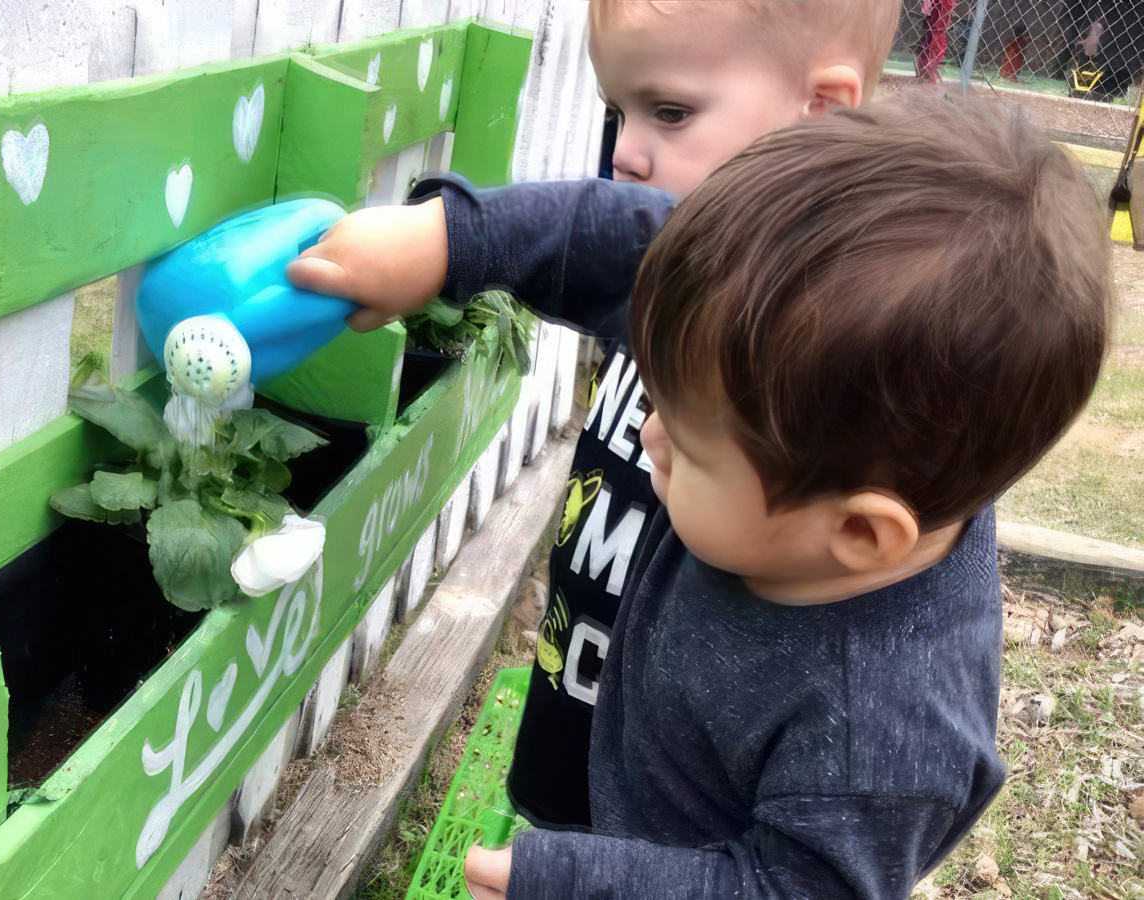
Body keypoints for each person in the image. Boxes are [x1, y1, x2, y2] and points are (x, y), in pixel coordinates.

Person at [457, 95, 1108, 898]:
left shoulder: (876, 741)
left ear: (863, 535)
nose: (647, 437)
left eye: (689, 447)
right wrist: (460, 239)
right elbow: (636, 245)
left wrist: (581, 881)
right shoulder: (862, 430)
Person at [289, 0, 901, 834]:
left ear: (820, 111)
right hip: (579, 708)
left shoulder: (836, 328)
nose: (624, 153)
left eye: (672, 112)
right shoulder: (685, 278)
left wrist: (455, 238)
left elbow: (618, 232)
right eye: (618, 111)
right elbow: (612, 234)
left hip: (674, 831)